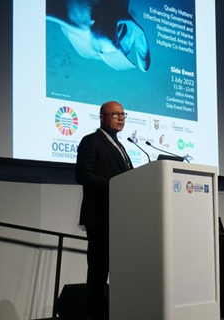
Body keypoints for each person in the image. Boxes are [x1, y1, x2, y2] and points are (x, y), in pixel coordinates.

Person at [76, 101, 132, 320]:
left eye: (122, 114)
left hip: (119, 217)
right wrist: (114, 184)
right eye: (115, 114)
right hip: (100, 216)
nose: (120, 117)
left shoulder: (121, 145)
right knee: (99, 270)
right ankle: (96, 313)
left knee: (119, 269)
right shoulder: (91, 141)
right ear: (102, 117)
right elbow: (82, 175)